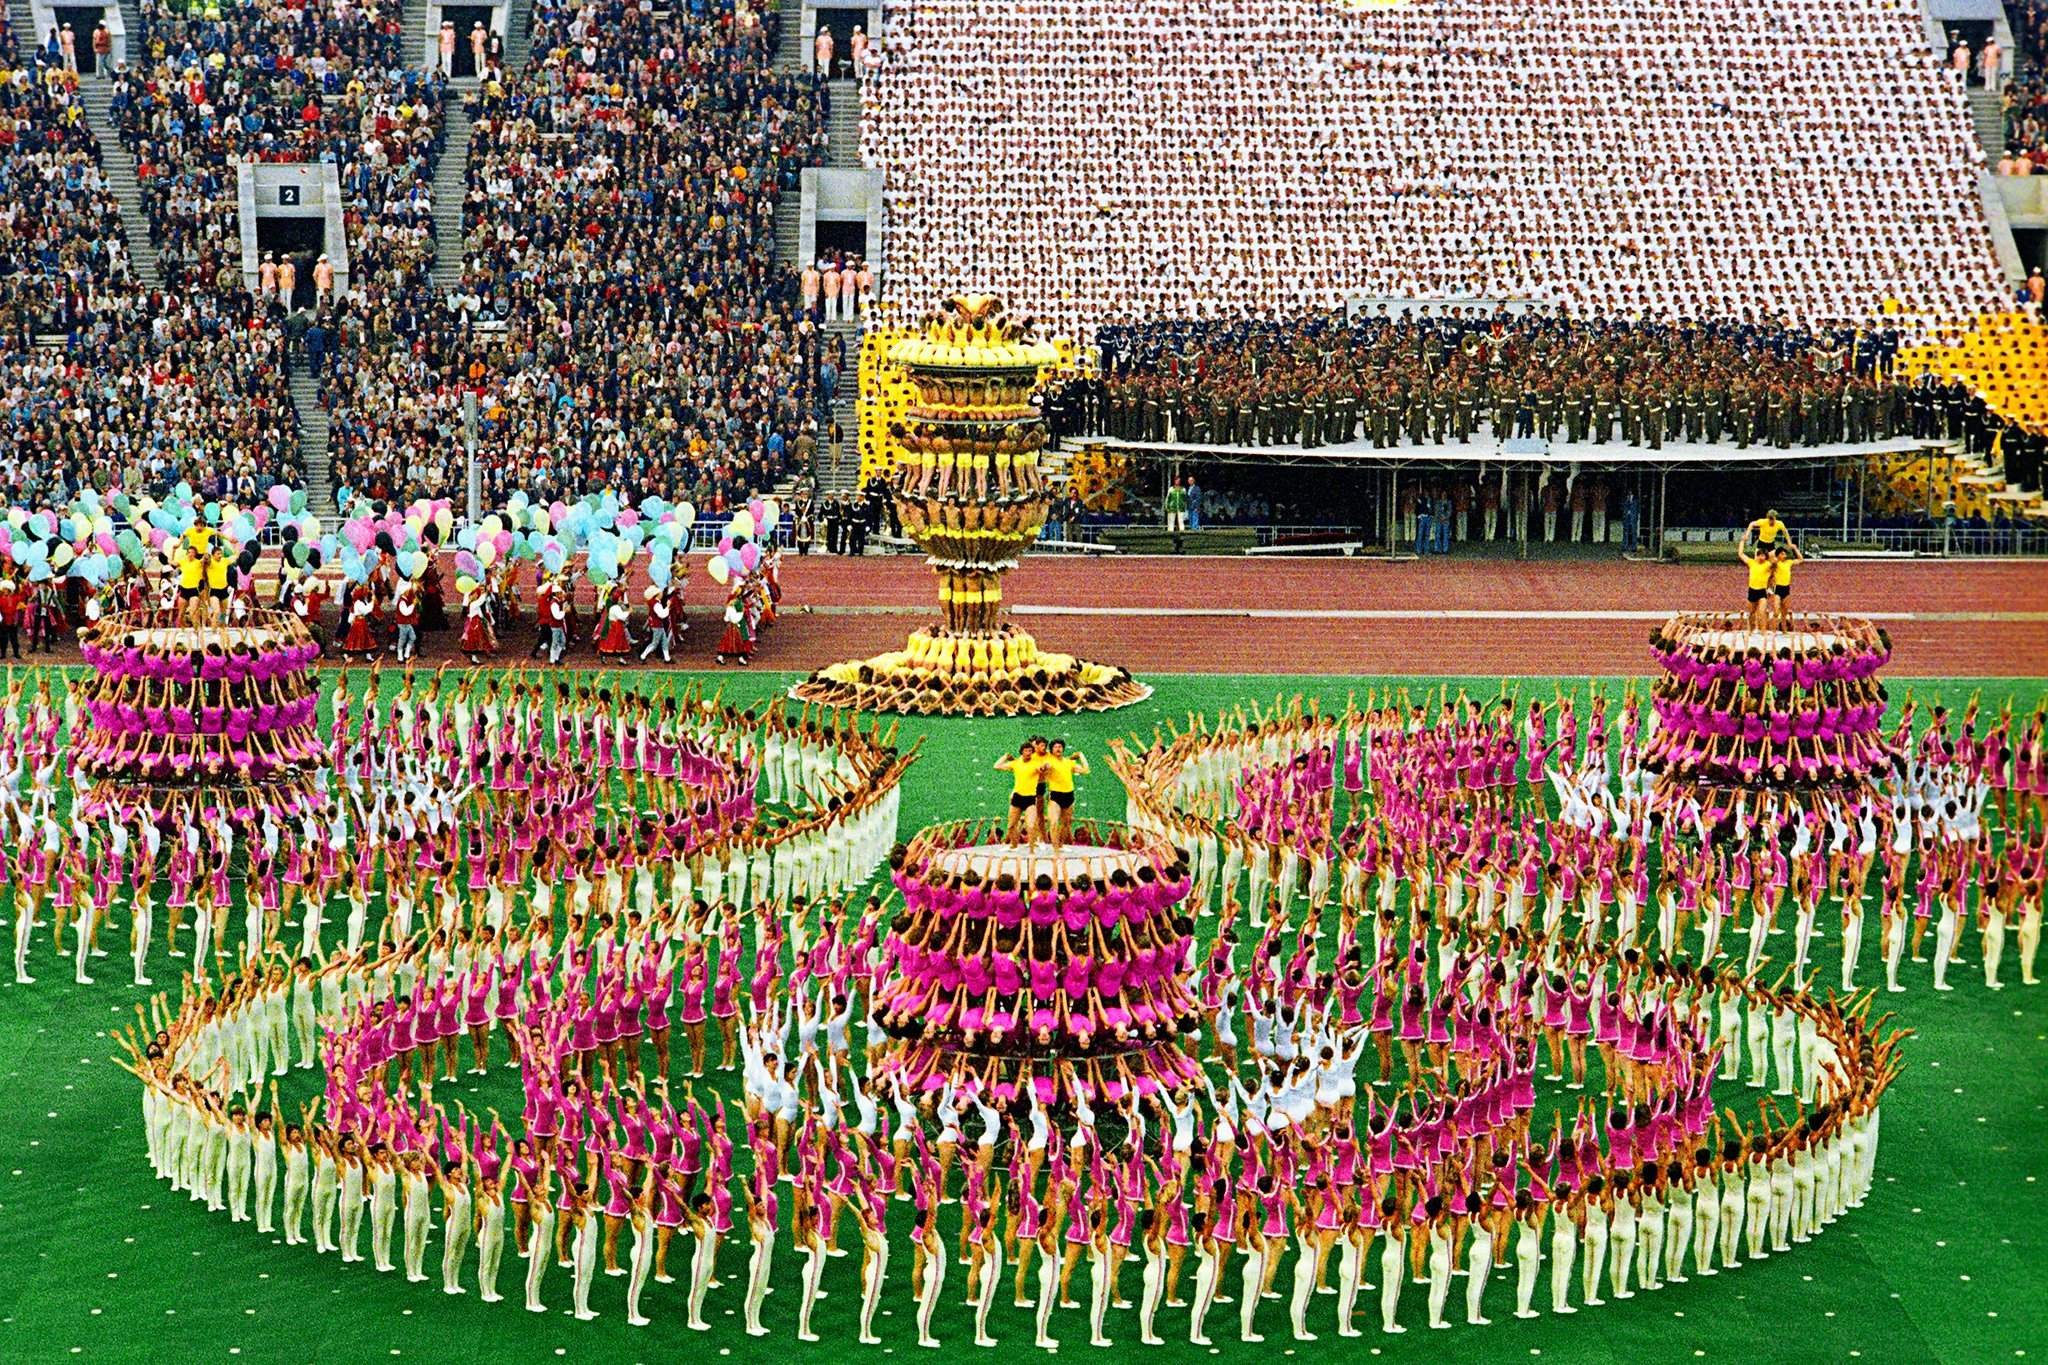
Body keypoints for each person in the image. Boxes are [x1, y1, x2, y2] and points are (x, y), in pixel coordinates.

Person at [997, 740, 1048, 844]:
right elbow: (997, 766)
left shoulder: (1036, 764)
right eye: (1026, 750)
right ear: (1022, 752)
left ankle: (1035, 845)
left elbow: (1042, 769)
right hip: (1017, 797)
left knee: (1031, 824)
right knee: (1011, 825)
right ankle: (1014, 845)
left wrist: (1044, 768)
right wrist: (1006, 756)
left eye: (1030, 751)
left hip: (1030, 798)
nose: (1028, 752)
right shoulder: (1016, 763)